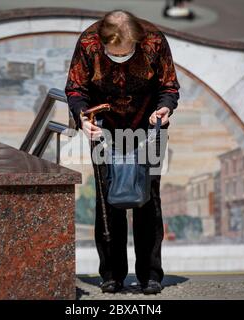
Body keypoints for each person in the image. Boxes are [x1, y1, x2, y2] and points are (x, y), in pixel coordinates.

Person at [65, 10, 180, 294]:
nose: (120, 58)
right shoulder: (88, 43)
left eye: (126, 53)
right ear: (102, 42)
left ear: (137, 41)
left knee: (147, 197)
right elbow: (76, 89)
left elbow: (169, 86)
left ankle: (150, 275)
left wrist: (165, 107)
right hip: (103, 128)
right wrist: (83, 118)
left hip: (149, 126)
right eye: (114, 54)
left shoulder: (153, 41)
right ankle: (112, 274)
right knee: (108, 197)